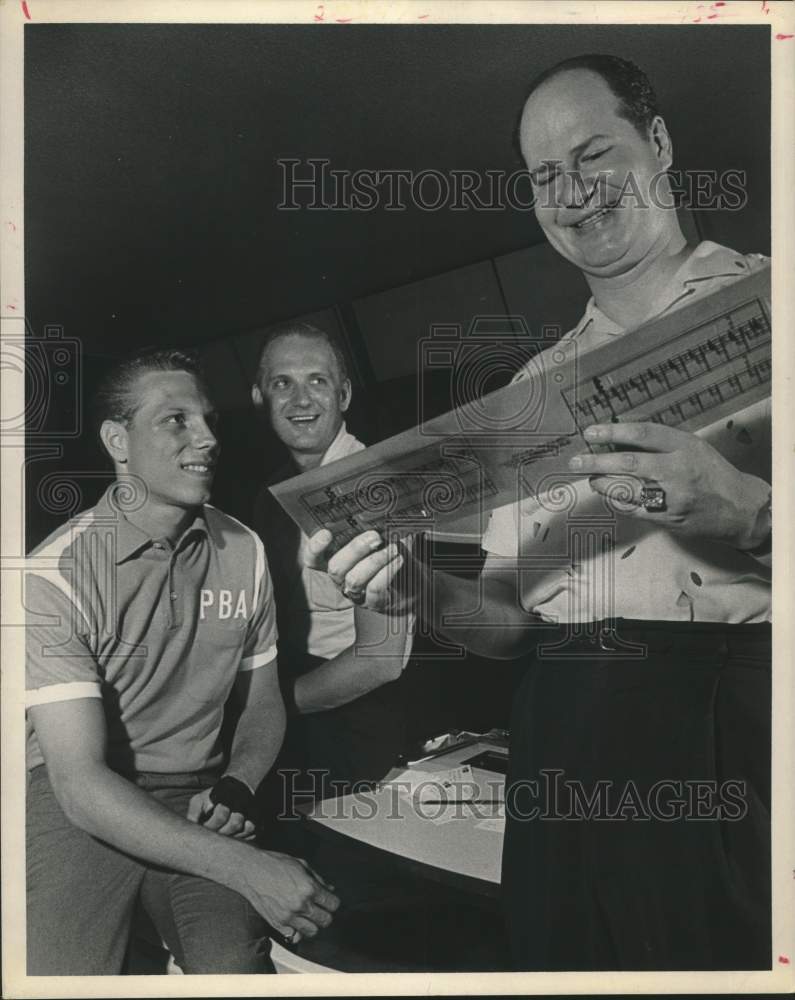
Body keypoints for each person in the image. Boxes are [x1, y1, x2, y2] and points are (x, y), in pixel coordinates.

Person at [305, 55, 772, 971]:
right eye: (543, 176)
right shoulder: (529, 393)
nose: (571, 193)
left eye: (592, 153)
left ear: (661, 145)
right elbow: (509, 630)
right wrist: (416, 588)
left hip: (726, 728)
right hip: (559, 732)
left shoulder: (774, 306)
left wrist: (750, 511)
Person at [25, 347, 339, 976]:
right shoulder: (52, 574)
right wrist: (251, 866)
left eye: (208, 420)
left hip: (195, 794)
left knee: (234, 969)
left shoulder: (240, 546)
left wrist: (238, 784)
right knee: (62, 980)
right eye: (175, 420)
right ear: (118, 439)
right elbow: (80, 784)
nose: (206, 438)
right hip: (74, 802)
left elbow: (262, 702)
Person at [251, 322, 412, 801]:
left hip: (357, 717)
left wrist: (262, 711)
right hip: (295, 695)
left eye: (317, 381)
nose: (301, 400)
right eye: (283, 383)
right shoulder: (270, 495)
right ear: (259, 396)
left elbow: (379, 662)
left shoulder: (373, 490)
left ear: (343, 395)